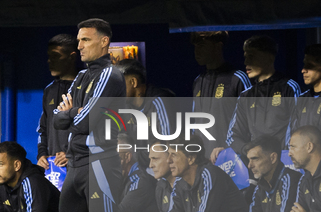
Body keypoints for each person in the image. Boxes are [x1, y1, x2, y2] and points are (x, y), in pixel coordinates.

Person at [52, 18, 126, 212]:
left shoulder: (110, 75)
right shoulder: (82, 77)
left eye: (85, 40)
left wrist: (72, 114)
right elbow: (59, 120)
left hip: (101, 164)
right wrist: (72, 114)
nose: (78, 46)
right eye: (78, 39)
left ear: (104, 41)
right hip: (76, 167)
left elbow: (85, 121)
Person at [225, 36, 301, 159]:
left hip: (285, 163)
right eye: (245, 58)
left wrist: (285, 155)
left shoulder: (289, 88)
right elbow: (232, 136)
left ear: (269, 58)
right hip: (256, 168)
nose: (246, 63)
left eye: (252, 57)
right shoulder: (245, 96)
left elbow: (299, 130)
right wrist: (248, 150)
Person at [188, 31, 252, 163]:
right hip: (202, 163)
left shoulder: (237, 79)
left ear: (218, 47)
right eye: (195, 47)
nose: (196, 51)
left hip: (230, 162)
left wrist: (230, 150)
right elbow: (195, 123)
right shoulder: (198, 81)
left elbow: (250, 124)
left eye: (202, 46)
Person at [116, 59, 175, 170]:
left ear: (133, 82)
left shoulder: (159, 101)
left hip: (162, 168)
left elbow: (167, 146)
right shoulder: (124, 107)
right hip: (138, 168)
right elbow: (122, 143)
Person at [37, 34, 79, 171]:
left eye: (55, 56)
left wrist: (71, 152)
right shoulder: (49, 90)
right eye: (49, 57)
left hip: (79, 167)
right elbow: (43, 129)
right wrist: (42, 154)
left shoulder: (86, 89)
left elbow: (94, 130)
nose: (50, 61)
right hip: (52, 167)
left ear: (72, 57)